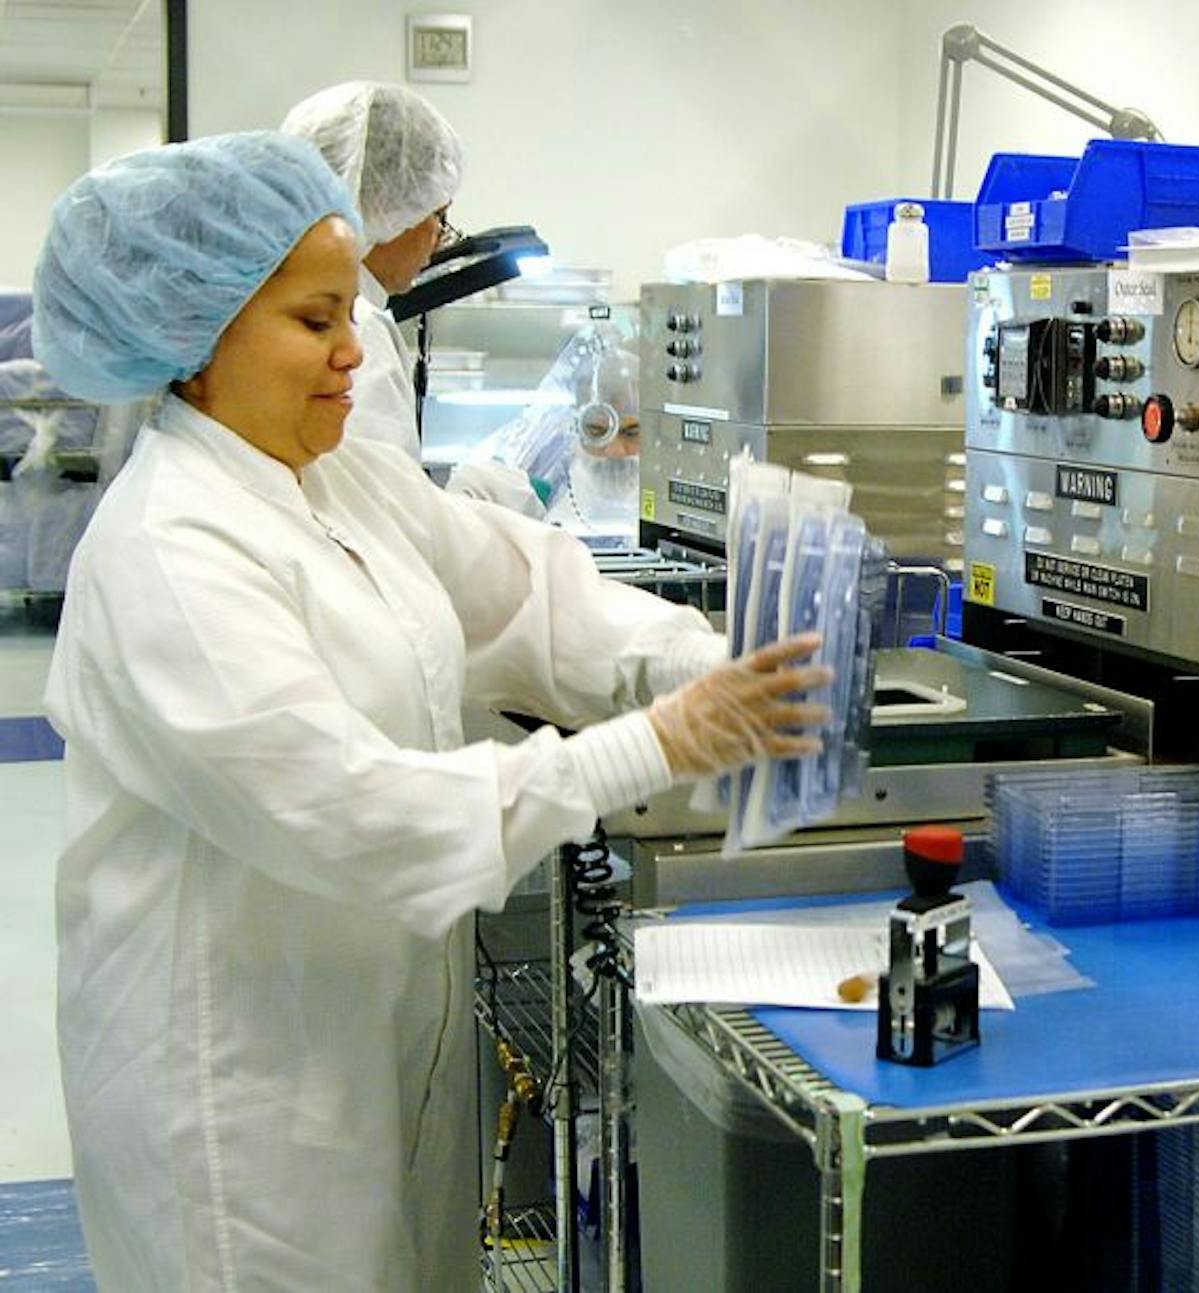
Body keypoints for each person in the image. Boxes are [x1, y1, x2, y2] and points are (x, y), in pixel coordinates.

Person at [30, 131, 829, 1290]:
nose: (353, 352)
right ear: (194, 339)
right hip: (234, 1093)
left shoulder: (329, 472)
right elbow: (357, 810)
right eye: (314, 322)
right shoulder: (170, 551)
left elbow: (517, 594)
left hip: (379, 1042)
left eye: (349, 313)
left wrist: (700, 659)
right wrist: (642, 748)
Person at [281, 80, 542, 513]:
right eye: (439, 215)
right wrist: (479, 500)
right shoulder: (357, 330)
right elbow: (391, 523)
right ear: (386, 207)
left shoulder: (300, 311)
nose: (441, 239)